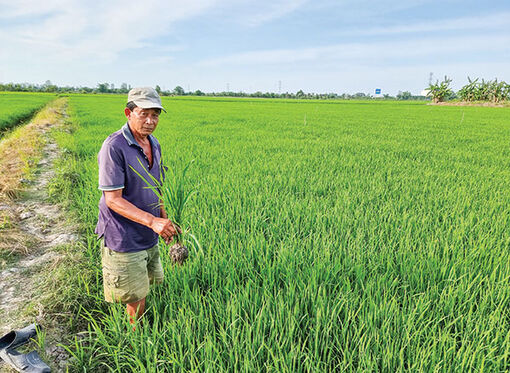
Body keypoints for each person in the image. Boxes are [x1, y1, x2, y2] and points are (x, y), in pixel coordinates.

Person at [95, 87, 180, 325]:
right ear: (128, 113)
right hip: (124, 234)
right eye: (144, 114)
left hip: (148, 231)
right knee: (135, 295)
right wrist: (153, 221)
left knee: (145, 283)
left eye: (155, 114)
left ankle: (141, 330)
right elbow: (113, 199)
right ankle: (136, 338)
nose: (150, 121)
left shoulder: (154, 143)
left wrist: (165, 220)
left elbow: (157, 187)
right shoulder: (114, 147)